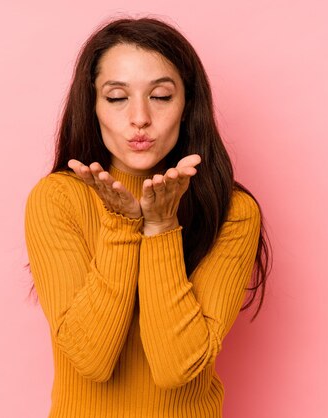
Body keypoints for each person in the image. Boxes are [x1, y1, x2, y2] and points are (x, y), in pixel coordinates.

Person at [24, 16, 272, 418]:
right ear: (93, 106)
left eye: (160, 96)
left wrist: (160, 228)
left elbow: (176, 368)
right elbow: (91, 359)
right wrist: (122, 225)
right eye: (117, 97)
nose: (139, 117)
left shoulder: (232, 211)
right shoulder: (57, 199)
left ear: (187, 104)